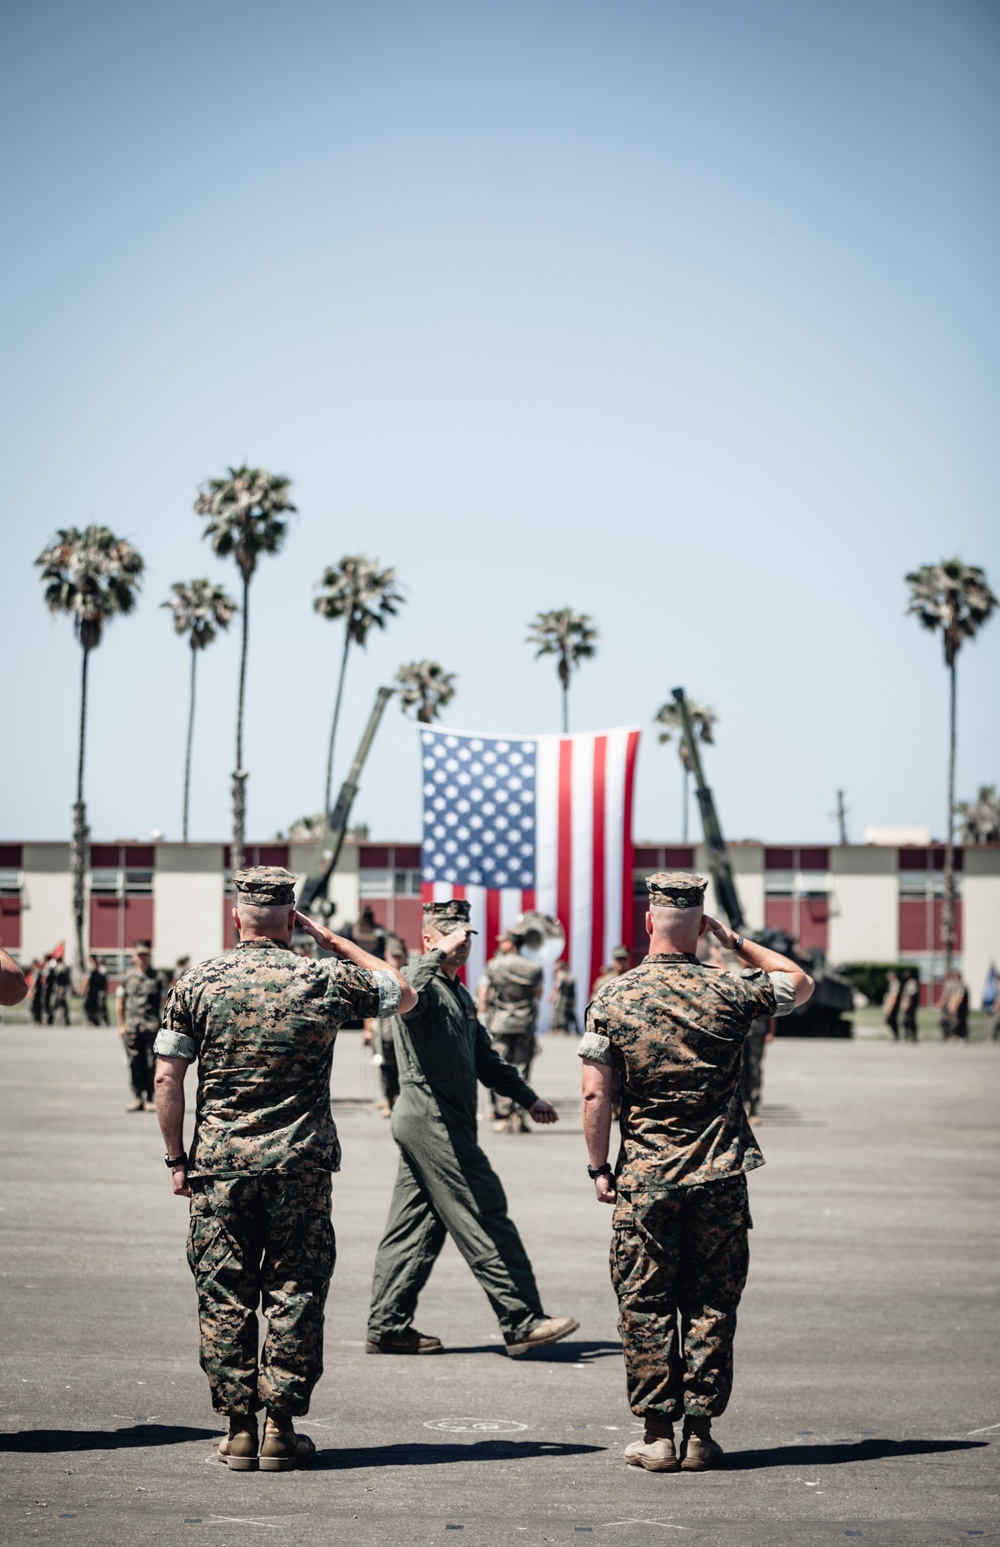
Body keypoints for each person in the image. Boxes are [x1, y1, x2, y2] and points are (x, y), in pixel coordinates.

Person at [153, 867, 414, 1472]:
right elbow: (402, 993)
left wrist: (175, 1159)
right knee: (295, 1291)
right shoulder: (320, 976)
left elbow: (168, 1076)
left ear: (236, 916)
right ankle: (280, 1427)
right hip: (300, 1166)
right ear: (293, 918)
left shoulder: (199, 981)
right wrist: (336, 943)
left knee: (225, 1292)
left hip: (219, 1167)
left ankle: (239, 1430)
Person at [580, 871, 814, 1473]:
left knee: (646, 1300)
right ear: (701, 923)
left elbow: (594, 1097)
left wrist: (599, 1167)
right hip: (718, 1174)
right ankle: (701, 1435)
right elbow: (800, 982)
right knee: (711, 1303)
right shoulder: (731, 989)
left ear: (649, 920)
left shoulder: (613, 996)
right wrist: (733, 941)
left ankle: (658, 1435)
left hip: (645, 1180)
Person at [366, 898, 578, 1359]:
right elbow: (408, 979)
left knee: (416, 1226)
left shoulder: (458, 994)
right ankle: (521, 1320)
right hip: (432, 1118)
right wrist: (436, 953)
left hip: (443, 1119)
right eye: (451, 934)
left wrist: (528, 1098)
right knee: (484, 1209)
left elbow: (486, 1059)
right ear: (429, 939)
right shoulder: (418, 986)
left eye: (467, 935)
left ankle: (387, 1324)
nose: (463, 943)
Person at [478, 928, 543, 1133]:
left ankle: (504, 1113)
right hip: (524, 1024)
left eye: (503, 940)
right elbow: (537, 995)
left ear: (510, 943)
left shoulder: (494, 965)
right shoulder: (534, 968)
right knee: (522, 1068)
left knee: (501, 1067)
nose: (500, 943)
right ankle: (519, 1114)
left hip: (501, 1023)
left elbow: (484, 995)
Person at [117, 941, 162, 1111]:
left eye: (146, 955)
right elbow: (120, 1001)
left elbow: (165, 1001)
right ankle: (137, 1097)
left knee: (152, 1063)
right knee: (135, 1063)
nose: (143, 958)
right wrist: (121, 1025)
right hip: (132, 1028)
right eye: (140, 955)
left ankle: (150, 1098)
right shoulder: (127, 977)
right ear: (135, 957)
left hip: (151, 1027)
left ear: (149, 957)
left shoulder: (157, 977)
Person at [366, 933, 407, 1115]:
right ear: (386, 954)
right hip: (383, 1032)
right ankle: (388, 1098)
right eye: (393, 956)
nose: (396, 960)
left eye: (399, 956)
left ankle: (399, 1099)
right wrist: (367, 1031)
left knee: (403, 1067)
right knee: (384, 1067)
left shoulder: (409, 975)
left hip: (403, 1033)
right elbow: (369, 1005)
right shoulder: (379, 975)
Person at [739, 1016, 774, 1122]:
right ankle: (741, 1104)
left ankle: (753, 1107)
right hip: (739, 1031)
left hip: (756, 1032)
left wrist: (771, 1031)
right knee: (739, 1067)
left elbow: (772, 1011)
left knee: (754, 1069)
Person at [550, 961, 579, 1036]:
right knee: (568, 1013)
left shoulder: (561, 975)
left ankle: (561, 1029)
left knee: (561, 1013)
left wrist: (553, 995)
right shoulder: (569, 976)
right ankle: (569, 1029)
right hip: (569, 998)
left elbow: (558, 987)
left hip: (563, 997)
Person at [939, 972, 969, 1042]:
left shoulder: (960, 986)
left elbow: (959, 997)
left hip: (960, 1009)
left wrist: (954, 1006)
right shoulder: (955, 986)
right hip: (955, 1007)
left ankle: (960, 1037)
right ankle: (951, 1036)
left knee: (958, 1022)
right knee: (951, 1022)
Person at [82, 954, 109, 1025]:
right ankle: (94, 1020)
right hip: (94, 991)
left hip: (94, 991)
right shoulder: (96, 968)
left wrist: (83, 990)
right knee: (94, 1006)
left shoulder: (97, 968)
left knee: (95, 1006)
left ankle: (94, 1020)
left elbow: (87, 980)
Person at [900, 971, 920, 1042]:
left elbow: (911, 994)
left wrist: (907, 1004)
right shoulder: (908, 982)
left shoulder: (912, 982)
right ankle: (909, 1037)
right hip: (908, 1004)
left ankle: (911, 1037)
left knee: (908, 1020)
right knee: (907, 1020)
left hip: (910, 1005)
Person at [882, 971, 901, 1040]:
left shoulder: (895, 984)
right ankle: (895, 1035)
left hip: (893, 1006)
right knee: (890, 1020)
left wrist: (890, 1007)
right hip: (891, 1005)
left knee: (891, 1020)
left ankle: (896, 1035)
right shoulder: (892, 984)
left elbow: (893, 997)